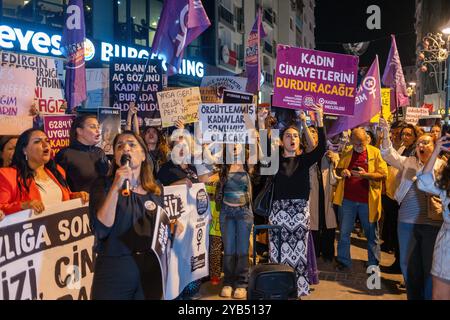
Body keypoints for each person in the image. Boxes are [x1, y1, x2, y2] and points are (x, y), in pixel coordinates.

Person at [89, 131, 166, 300]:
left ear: (144, 155)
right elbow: (101, 229)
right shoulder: (103, 185)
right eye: (119, 146)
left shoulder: (156, 189)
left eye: (132, 144)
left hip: (150, 269)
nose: (125, 148)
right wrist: (116, 187)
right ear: (116, 157)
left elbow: (159, 229)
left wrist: (172, 226)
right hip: (115, 269)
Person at [379, 117, 444, 300]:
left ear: (434, 146)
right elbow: (387, 153)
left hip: (433, 224)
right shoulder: (409, 162)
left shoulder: (442, 166)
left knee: (429, 266)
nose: (421, 146)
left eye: (426, 143)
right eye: (419, 144)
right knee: (408, 265)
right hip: (406, 222)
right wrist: (385, 133)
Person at [269, 104, 325, 298]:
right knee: (278, 254)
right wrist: (260, 122)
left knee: (298, 255)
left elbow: (321, 148)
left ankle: (297, 289)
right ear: (281, 141)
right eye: (287, 136)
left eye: (295, 136)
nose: (292, 138)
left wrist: (319, 121)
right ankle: (278, 289)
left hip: (300, 214)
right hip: (278, 214)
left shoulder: (304, 160)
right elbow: (259, 151)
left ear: (298, 141)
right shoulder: (274, 160)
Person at [333, 127, 388, 272]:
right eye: (356, 143)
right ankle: (344, 261)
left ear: (367, 140)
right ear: (351, 141)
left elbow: (383, 174)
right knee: (344, 233)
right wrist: (342, 171)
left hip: (368, 202)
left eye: (362, 143)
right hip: (348, 201)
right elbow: (338, 169)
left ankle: (373, 264)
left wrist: (365, 175)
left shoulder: (375, 153)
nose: (359, 146)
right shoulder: (347, 151)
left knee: (371, 234)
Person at [0, 129, 88, 215]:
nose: (45, 145)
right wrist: (23, 206)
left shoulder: (57, 170)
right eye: (37, 141)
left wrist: (76, 196)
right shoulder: (7, 175)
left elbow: (61, 198)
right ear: (24, 150)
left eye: (47, 141)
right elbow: (2, 207)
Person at [215, 143, 254, 299]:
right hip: (226, 213)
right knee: (229, 250)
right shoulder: (222, 169)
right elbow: (203, 175)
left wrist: (257, 123)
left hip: (244, 212)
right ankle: (228, 282)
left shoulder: (248, 166)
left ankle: (242, 284)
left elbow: (257, 150)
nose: (235, 147)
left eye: (237, 144)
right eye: (231, 145)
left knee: (242, 250)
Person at [417, 134, 450, 300]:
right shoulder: (447, 184)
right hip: (447, 249)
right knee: (439, 296)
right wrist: (436, 150)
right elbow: (423, 180)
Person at [307, 126, 339, 264]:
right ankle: (314, 253)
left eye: (314, 132)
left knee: (328, 222)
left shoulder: (328, 154)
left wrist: (335, 159)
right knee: (313, 224)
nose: (312, 135)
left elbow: (337, 168)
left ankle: (328, 252)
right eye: (309, 132)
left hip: (326, 194)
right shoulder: (303, 154)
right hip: (311, 194)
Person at [56, 115, 109, 192]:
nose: (98, 130)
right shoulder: (65, 154)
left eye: (98, 127)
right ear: (79, 131)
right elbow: (59, 185)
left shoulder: (99, 152)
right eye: (93, 127)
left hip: (102, 201)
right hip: (79, 202)